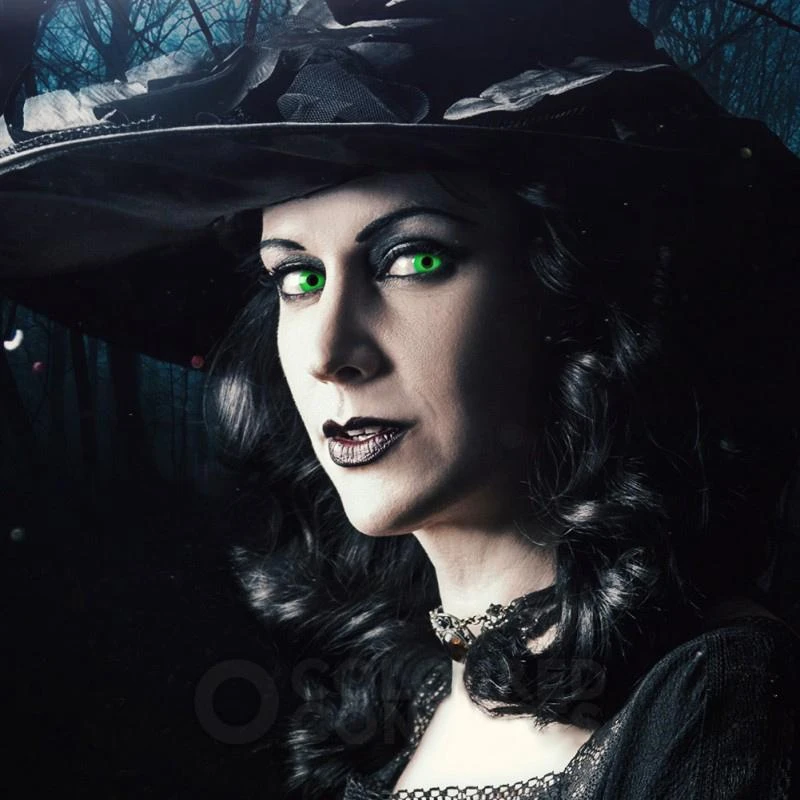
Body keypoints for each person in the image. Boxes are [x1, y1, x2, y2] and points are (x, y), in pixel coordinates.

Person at [1, 1, 798, 798]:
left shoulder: (721, 696)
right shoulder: (403, 705)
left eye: (413, 259)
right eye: (297, 277)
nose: (328, 353)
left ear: (569, 299)